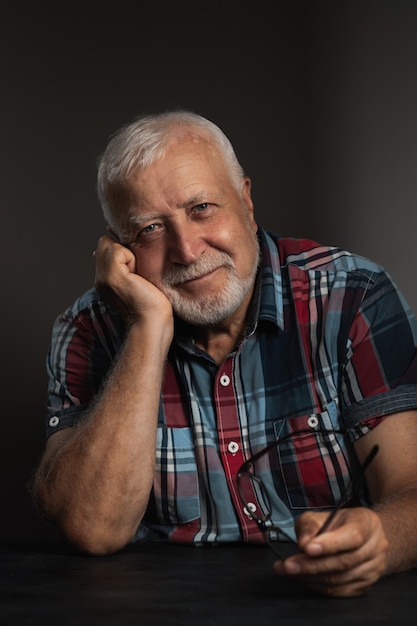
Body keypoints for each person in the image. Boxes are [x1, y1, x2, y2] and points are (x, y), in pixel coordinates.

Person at [33, 110, 417, 598]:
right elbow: (90, 528)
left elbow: (412, 489)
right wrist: (147, 328)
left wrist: (377, 541)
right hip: (157, 607)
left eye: (202, 208)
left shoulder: (352, 294)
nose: (188, 251)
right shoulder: (87, 329)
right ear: (119, 250)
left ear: (247, 203)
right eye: (150, 228)